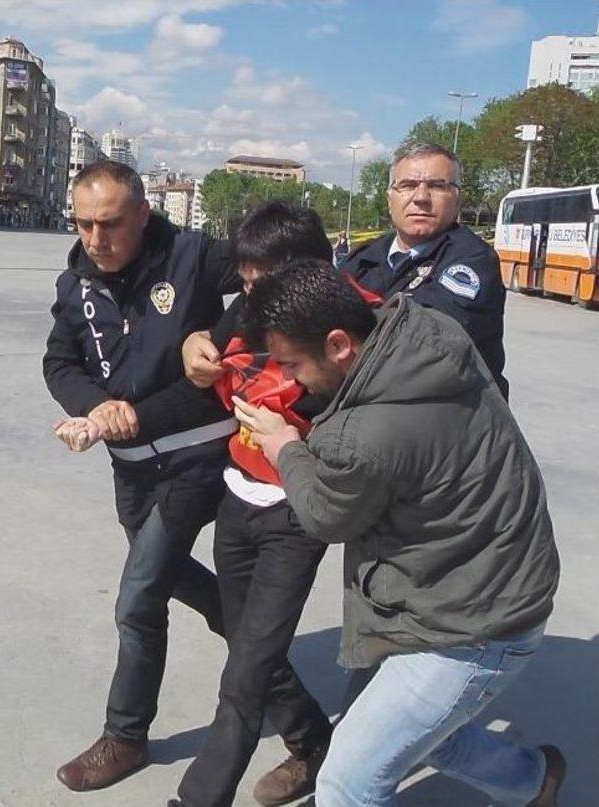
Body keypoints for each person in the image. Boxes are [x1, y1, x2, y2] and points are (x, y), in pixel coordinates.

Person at [232, 260, 564, 807]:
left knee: (348, 781)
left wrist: (283, 446)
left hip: (473, 626)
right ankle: (534, 780)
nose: (289, 382)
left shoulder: (364, 436)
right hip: (481, 580)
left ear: (339, 344)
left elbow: (325, 515)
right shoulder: (421, 329)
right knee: (421, 737)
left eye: (292, 366)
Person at [42, 161, 241, 792]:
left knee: (138, 598)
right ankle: (300, 716)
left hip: (195, 457)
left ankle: (125, 736)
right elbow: (59, 360)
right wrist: (93, 406)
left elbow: (280, 273)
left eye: (109, 224)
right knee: (187, 588)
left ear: (142, 216)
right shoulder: (75, 281)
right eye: (82, 223)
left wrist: (218, 335)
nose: (95, 238)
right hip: (130, 468)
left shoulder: (194, 256)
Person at [169, 203, 335, 807]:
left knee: (242, 680)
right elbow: (201, 354)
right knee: (246, 642)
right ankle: (313, 740)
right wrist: (195, 348)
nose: (250, 297)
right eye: (245, 282)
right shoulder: (245, 307)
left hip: (296, 515)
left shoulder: (345, 327)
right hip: (237, 500)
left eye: (264, 283)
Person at [340, 142, 509, 399]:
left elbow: (422, 341)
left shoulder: (473, 260)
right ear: (389, 199)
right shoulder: (362, 259)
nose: (420, 197)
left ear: (458, 200)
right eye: (407, 185)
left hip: (450, 420)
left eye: (437, 186)